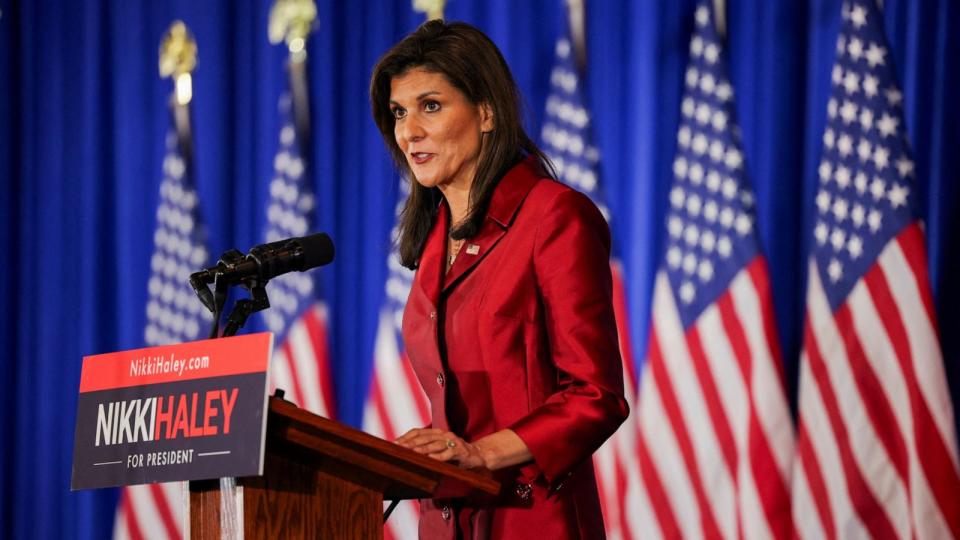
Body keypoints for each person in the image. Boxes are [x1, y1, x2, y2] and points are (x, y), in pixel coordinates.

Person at [370, 20, 629, 539]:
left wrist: (480, 453)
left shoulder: (555, 217)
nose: (409, 130)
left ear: (486, 112)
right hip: (447, 523)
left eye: (431, 106)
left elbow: (595, 395)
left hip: (532, 520)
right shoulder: (434, 241)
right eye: (399, 112)